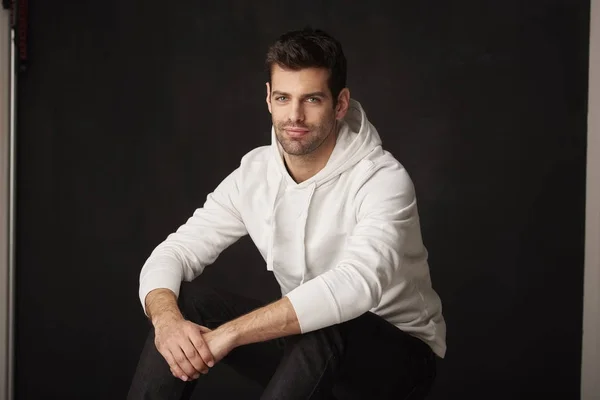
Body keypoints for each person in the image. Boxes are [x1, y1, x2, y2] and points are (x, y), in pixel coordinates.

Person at [127, 27, 446, 400]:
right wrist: (167, 321)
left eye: (311, 99)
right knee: (184, 303)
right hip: (306, 349)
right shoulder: (254, 175)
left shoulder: (382, 179)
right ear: (268, 99)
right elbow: (174, 252)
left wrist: (231, 334)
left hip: (397, 360)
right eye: (283, 97)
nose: (295, 115)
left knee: (330, 322)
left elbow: (357, 285)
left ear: (340, 103)